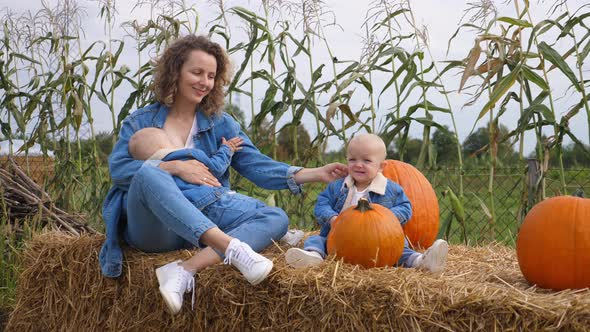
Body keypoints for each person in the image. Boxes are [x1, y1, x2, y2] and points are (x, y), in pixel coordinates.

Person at [100, 34, 347, 315]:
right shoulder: (141, 122)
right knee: (148, 173)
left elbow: (255, 165)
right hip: (155, 229)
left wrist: (315, 173)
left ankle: (186, 268)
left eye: (211, 75)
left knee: (276, 218)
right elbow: (119, 170)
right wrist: (172, 166)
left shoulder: (220, 123)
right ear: (175, 71)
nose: (204, 82)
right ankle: (233, 249)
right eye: (196, 72)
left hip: (204, 218)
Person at [285, 133, 449, 272]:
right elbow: (322, 204)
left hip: (380, 240)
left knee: (399, 250)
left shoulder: (391, 189)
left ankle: (421, 261)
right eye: (352, 159)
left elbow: (406, 208)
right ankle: (313, 256)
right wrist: (332, 218)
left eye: (366, 161)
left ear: (381, 166)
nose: (358, 165)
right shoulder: (338, 187)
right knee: (316, 240)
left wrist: (387, 218)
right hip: (340, 238)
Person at [128, 127, 305, 246]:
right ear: (166, 143)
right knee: (258, 209)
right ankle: (282, 236)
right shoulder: (187, 155)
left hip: (187, 216)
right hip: (212, 202)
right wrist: (227, 149)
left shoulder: (154, 171)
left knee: (228, 223)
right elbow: (216, 167)